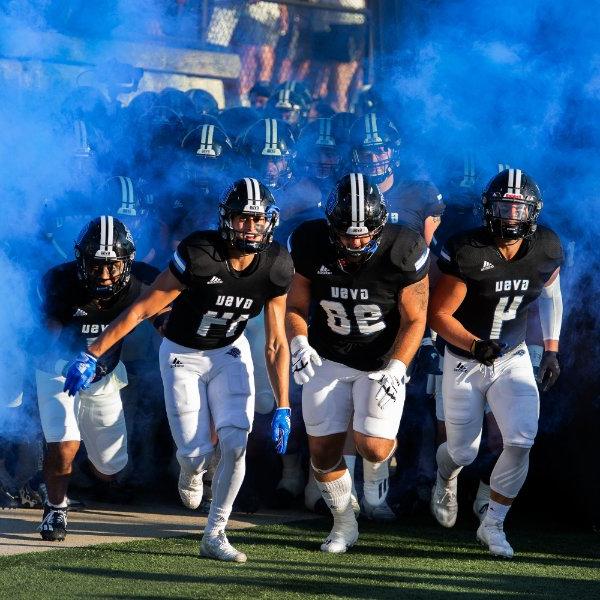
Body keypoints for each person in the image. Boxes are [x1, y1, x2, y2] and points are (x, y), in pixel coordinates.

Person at [62, 178, 294, 563]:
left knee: (236, 443)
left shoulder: (277, 264)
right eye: (242, 219)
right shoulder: (201, 253)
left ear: (270, 221)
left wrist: (284, 403)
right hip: (182, 355)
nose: (250, 228)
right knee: (194, 452)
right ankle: (192, 469)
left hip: (229, 351)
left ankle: (215, 533)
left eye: (257, 219)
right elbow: (144, 307)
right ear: (227, 220)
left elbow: (275, 342)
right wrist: (93, 352)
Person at [286, 172, 430, 552]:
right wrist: (299, 343)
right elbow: (297, 305)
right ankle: (344, 523)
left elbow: (416, 318)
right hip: (327, 354)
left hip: (382, 358)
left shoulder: (405, 247)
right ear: (331, 226)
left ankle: (380, 470)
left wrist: (398, 367)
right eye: (348, 233)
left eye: (365, 232)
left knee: (374, 448)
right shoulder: (308, 241)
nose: (357, 241)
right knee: (322, 452)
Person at [428, 168, 563, 558]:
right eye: (503, 207)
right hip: (464, 359)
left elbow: (552, 295)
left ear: (532, 212)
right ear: (488, 208)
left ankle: (493, 525)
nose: (510, 217)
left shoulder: (546, 247)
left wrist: (551, 348)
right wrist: (474, 344)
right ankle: (445, 475)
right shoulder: (469, 250)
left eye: (518, 209)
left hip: (512, 355)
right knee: (463, 452)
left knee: (521, 440)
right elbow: (440, 315)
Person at [36, 216, 159, 541]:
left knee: (111, 468)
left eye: (113, 266)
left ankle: (68, 474)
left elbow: (169, 316)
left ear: (128, 262)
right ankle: (55, 505)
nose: (104, 275)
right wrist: (70, 360)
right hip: (59, 370)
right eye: (95, 266)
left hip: (105, 375)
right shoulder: (60, 282)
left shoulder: (143, 281)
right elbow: (46, 342)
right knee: (64, 441)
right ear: (81, 261)